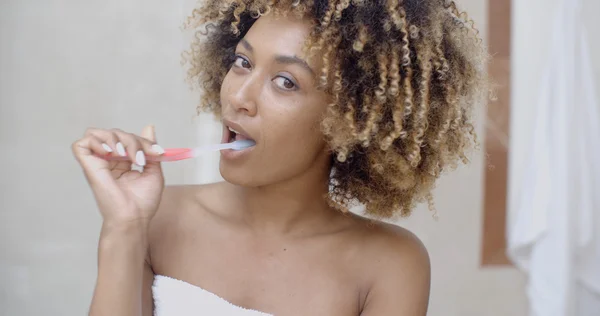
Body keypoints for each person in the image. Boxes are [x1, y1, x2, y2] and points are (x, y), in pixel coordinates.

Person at [72, 0, 487, 315]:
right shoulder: (154, 218)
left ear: (351, 118)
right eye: (241, 62)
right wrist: (124, 228)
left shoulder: (390, 264)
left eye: (285, 82)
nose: (238, 97)